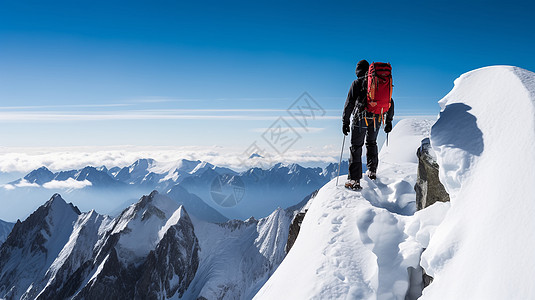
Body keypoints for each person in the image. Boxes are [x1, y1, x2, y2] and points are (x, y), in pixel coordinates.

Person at [342, 59, 394, 190]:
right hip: (377, 117)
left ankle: (354, 180)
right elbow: (390, 101)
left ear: (358, 71)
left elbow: (349, 104)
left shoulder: (357, 83)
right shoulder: (377, 82)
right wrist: (389, 121)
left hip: (361, 118)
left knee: (356, 146)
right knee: (371, 143)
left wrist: (345, 121)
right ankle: (372, 172)